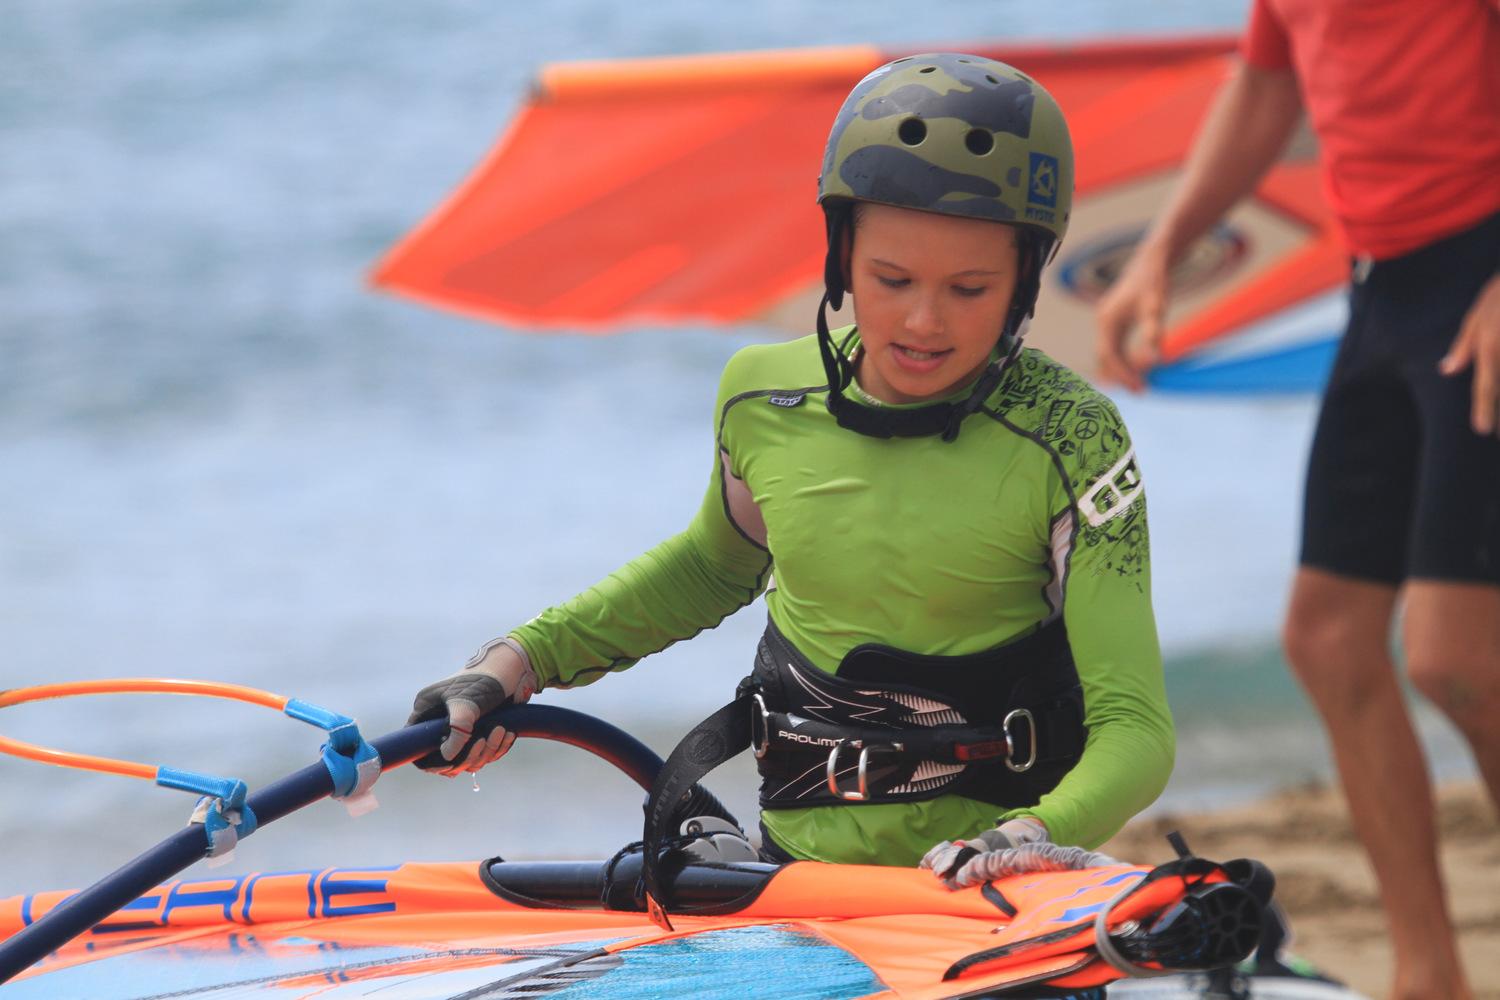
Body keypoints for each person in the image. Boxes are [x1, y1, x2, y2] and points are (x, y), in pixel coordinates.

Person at [409, 53, 1174, 887]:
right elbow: (710, 568)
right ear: (841, 255)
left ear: (1027, 278)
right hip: (795, 882)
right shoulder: (761, 398)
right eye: (891, 279)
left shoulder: (1073, 436)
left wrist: (1027, 837)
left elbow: (1135, 727)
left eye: (970, 289)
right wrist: (513, 663)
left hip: (983, 896)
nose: (924, 321)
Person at [1094, 2, 1500, 997]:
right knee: (1327, 638)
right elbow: (1268, 83)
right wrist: (1163, 247)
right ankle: (1429, 975)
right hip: (1384, 290)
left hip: (1483, 268)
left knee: (1456, 658)